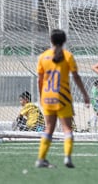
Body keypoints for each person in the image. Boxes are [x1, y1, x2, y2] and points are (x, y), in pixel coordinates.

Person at [35, 29, 90, 168]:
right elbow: (76, 77)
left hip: (47, 97)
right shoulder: (68, 56)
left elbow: (39, 80)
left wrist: (42, 96)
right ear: (64, 41)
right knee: (67, 129)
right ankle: (67, 158)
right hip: (63, 97)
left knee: (48, 128)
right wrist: (85, 94)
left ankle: (41, 159)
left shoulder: (43, 57)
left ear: (51, 40)